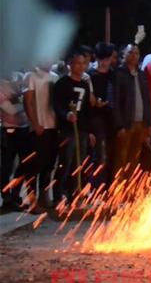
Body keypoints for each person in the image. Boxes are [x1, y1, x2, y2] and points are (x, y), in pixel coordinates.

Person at [52, 50, 95, 202]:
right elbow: (56, 105)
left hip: (81, 130)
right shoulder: (62, 83)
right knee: (66, 161)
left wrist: (90, 131)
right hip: (67, 130)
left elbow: (87, 110)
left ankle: (74, 193)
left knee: (79, 163)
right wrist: (66, 115)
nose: (80, 66)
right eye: (77, 63)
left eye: (83, 63)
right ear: (70, 64)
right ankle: (58, 194)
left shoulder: (85, 84)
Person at [112, 44, 151, 178]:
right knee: (121, 159)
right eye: (130, 53)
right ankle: (117, 192)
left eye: (136, 53)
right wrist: (119, 125)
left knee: (134, 159)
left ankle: (130, 191)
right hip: (126, 124)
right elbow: (115, 101)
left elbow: (147, 99)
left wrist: (149, 123)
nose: (133, 56)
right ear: (124, 55)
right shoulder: (119, 74)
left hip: (140, 123)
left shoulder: (141, 75)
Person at [24, 64, 59, 208]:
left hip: (53, 127)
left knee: (49, 164)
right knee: (34, 165)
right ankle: (31, 199)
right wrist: (35, 123)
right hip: (38, 128)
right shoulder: (30, 75)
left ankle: (44, 196)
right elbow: (28, 101)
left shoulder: (55, 77)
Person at [0, 74, 32, 211]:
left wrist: (23, 102)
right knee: (7, 166)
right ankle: (6, 198)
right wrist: (25, 103)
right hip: (8, 130)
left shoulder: (19, 77)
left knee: (24, 164)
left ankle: (15, 195)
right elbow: (10, 109)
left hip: (24, 129)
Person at [88, 42, 116, 186]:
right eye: (102, 58)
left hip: (110, 120)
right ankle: (94, 188)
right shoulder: (90, 75)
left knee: (110, 155)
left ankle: (107, 188)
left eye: (108, 58)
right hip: (95, 120)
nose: (105, 62)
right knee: (99, 156)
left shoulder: (113, 75)